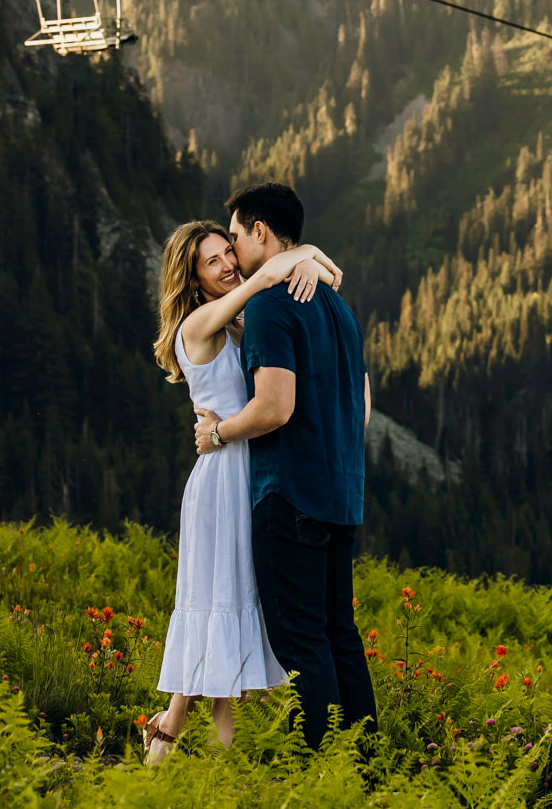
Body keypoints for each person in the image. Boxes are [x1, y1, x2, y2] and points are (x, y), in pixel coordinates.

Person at [141, 218, 342, 764]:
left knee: (222, 606)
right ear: (194, 277)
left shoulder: (230, 326)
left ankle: (173, 736)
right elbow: (264, 277)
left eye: (229, 252)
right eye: (213, 261)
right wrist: (306, 259)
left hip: (242, 473)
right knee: (218, 605)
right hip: (221, 482)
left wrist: (306, 259)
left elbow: (272, 275)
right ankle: (193, 752)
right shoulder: (199, 325)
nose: (229, 264)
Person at [193, 181, 376, 748]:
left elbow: (274, 407)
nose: (233, 251)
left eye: (236, 237)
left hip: (290, 494)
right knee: (340, 635)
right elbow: (361, 404)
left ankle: (319, 767)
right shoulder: (335, 303)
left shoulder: (271, 304)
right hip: (342, 493)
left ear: (260, 233)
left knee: (302, 644)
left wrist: (218, 432)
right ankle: (365, 762)